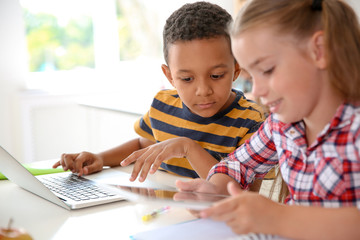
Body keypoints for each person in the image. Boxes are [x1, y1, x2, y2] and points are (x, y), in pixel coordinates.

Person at [158, 0, 360, 238]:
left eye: (266, 70)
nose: (258, 90)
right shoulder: (282, 124)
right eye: (250, 75)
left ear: (320, 50)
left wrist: (279, 217)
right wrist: (214, 189)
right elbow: (238, 164)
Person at [53, 2, 265, 182]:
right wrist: (101, 158)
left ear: (236, 68)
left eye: (216, 75)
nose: (203, 90)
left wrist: (188, 148)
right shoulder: (163, 105)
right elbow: (143, 144)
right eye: (187, 79)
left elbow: (236, 188)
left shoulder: (250, 121)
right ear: (170, 76)